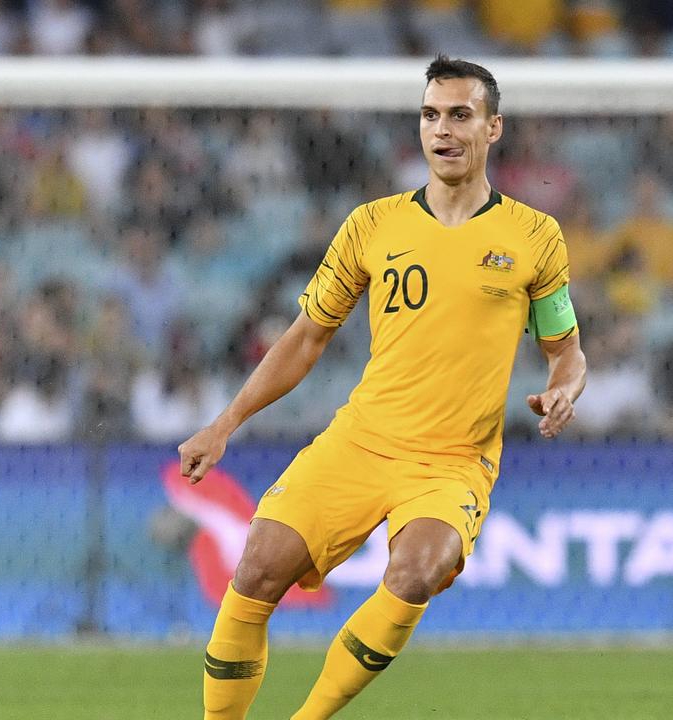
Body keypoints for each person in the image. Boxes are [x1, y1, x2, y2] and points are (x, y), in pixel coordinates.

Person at [178, 56, 587, 719]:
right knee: (254, 569)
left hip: (452, 463)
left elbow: (565, 352)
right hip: (361, 441)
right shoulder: (372, 225)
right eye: (430, 115)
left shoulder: (534, 237)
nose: (442, 130)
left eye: (459, 115)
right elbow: (305, 337)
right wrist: (225, 422)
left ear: (493, 128)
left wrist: (564, 387)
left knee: (415, 571)